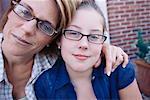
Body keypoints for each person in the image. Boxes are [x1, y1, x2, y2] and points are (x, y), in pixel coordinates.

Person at [0, 0, 129, 100]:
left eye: (46, 26)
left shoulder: (56, 62)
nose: (27, 29)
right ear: (11, 9)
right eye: (25, 12)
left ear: (53, 39)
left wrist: (103, 48)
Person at [34, 1, 142, 100]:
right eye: (73, 33)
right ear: (59, 40)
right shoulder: (45, 85)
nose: (84, 44)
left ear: (102, 42)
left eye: (94, 36)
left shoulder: (119, 70)